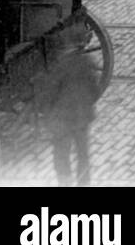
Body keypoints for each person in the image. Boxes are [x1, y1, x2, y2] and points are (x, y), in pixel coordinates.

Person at [33, 24, 101, 187]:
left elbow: (49, 91)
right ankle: (84, 184)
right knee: (83, 155)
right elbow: (96, 90)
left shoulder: (61, 65)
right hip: (82, 117)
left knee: (61, 155)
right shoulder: (87, 62)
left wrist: (45, 111)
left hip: (62, 119)